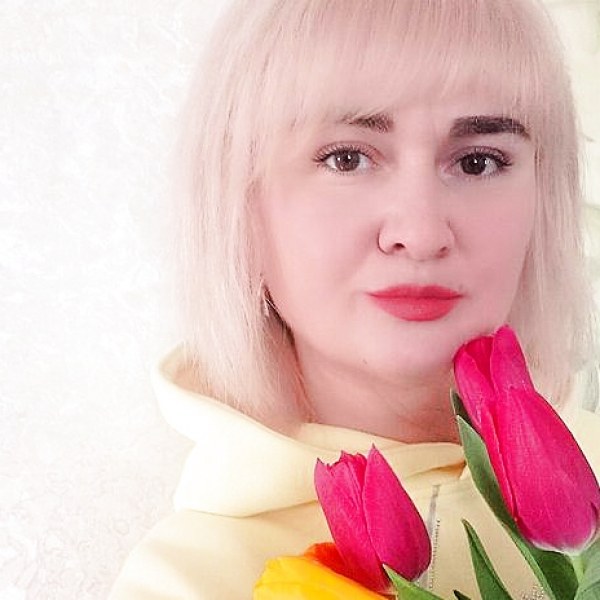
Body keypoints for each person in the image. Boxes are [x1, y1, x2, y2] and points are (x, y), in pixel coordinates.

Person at [110, 0, 600, 597]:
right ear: (239, 201)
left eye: (478, 162)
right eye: (348, 158)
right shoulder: (190, 581)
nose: (420, 232)